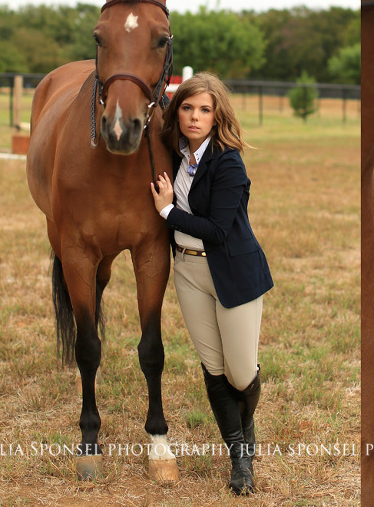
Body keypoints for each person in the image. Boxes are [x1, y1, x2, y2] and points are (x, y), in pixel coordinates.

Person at [151, 72, 273, 495]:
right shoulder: (172, 152)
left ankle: (247, 421)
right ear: (176, 111)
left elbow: (219, 229)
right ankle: (240, 457)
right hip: (187, 271)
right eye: (187, 108)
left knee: (240, 374)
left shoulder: (228, 161)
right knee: (214, 369)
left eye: (204, 109)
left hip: (232, 271)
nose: (194, 117)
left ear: (217, 115)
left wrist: (167, 213)